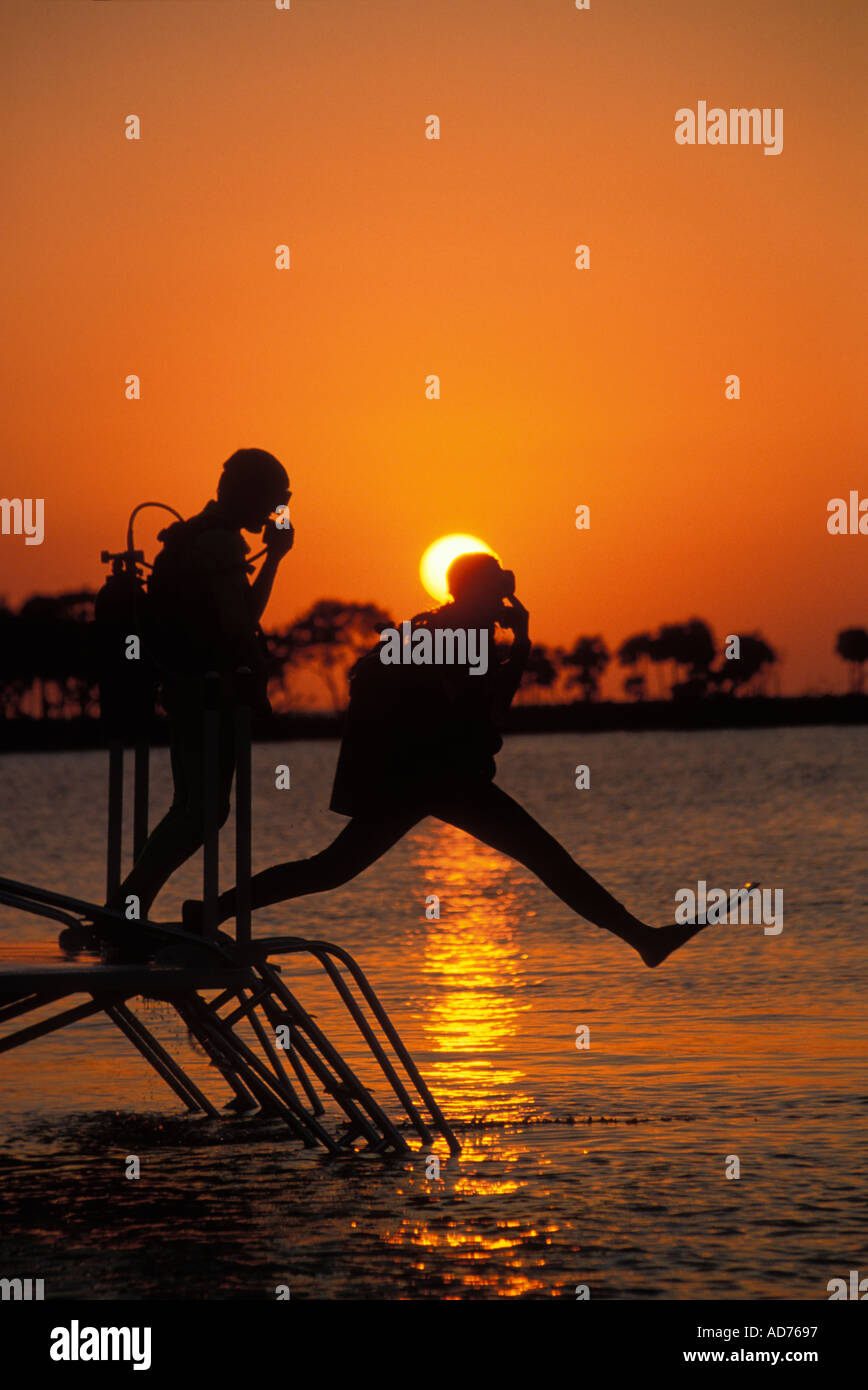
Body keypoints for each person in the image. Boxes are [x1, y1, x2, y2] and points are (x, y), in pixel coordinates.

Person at [187, 552, 708, 968]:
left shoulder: (444, 627)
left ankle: (208, 913)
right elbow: (488, 710)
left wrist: (511, 647)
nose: (505, 596)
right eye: (498, 588)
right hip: (440, 779)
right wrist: (522, 646)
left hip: (420, 779)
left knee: (331, 869)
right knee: (547, 859)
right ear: (478, 592)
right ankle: (643, 939)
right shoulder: (460, 635)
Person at [111, 447, 294, 919]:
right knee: (201, 813)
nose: (276, 509)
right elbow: (241, 622)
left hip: (192, 693)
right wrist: (275, 559)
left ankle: (126, 910)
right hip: (207, 699)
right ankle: (124, 912)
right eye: (274, 498)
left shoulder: (199, 536)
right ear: (248, 494)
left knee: (196, 811)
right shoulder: (219, 542)